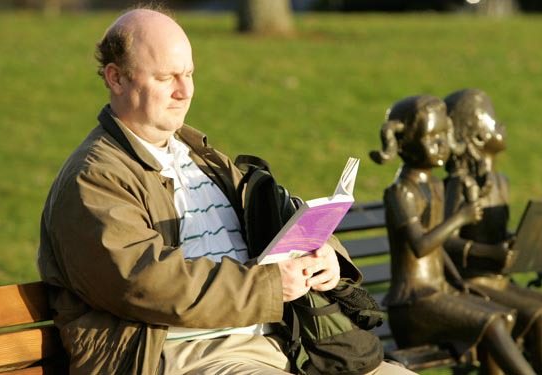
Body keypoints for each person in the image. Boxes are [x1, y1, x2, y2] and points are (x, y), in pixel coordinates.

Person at [37, 7, 412, 375]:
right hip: (185, 352)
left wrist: (326, 257)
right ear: (116, 78)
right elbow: (144, 282)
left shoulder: (201, 156)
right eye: (167, 77)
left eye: (188, 74)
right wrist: (269, 286)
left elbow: (276, 218)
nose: (184, 91)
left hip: (279, 342)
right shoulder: (95, 178)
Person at [370, 95, 536, 375]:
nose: (441, 146)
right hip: (413, 303)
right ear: (404, 143)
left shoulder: (434, 185)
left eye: (444, 136)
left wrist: (460, 285)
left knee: (504, 315)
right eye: (431, 137)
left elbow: (440, 251)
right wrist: (461, 217)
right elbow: (422, 246)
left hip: (439, 292)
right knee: (494, 321)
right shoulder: (401, 192)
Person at [442, 88, 542, 375]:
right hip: (474, 283)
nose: (502, 126)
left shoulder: (501, 182)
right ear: (478, 137)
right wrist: (491, 253)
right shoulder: (459, 185)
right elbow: (446, 243)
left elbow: (499, 234)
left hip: (499, 280)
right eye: (495, 121)